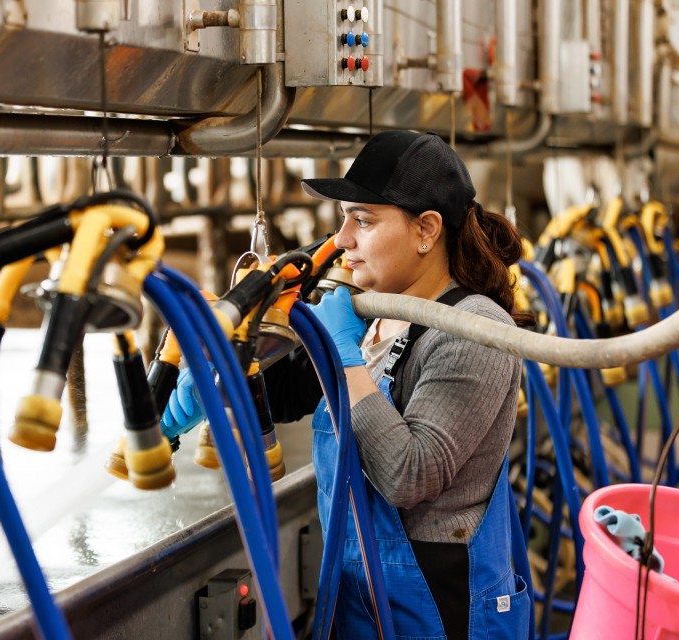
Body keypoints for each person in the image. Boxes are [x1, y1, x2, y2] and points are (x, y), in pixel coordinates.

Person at [163, 130, 532, 639]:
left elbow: (409, 474)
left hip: (442, 611)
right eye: (343, 219)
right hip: (360, 595)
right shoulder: (374, 318)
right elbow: (290, 394)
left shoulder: (476, 330)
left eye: (363, 219)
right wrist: (217, 382)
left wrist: (342, 352)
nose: (341, 241)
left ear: (427, 229)